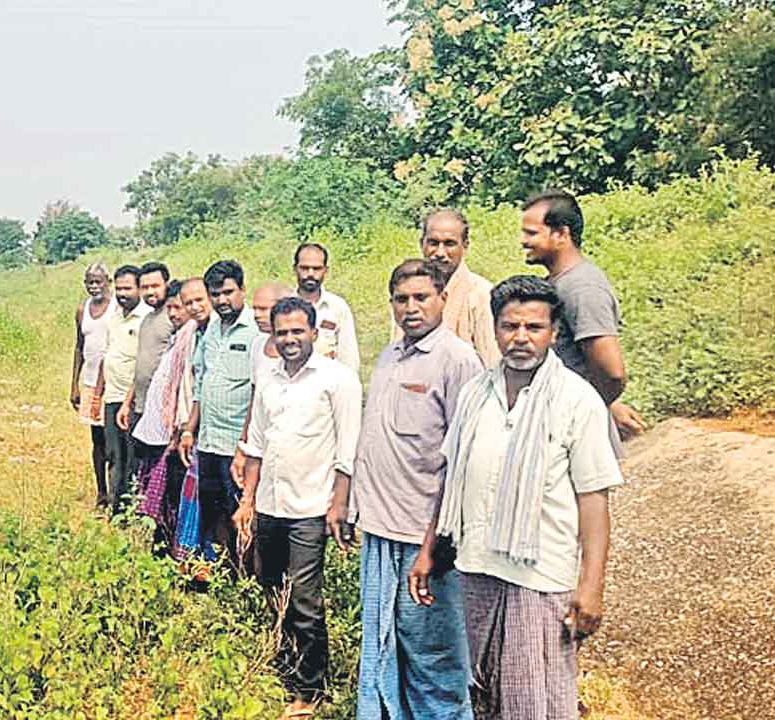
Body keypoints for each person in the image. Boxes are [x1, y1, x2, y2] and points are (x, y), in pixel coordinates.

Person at [410, 275, 623, 720]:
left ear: (554, 332)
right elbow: (453, 480)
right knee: (485, 694)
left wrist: (592, 585)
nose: (521, 338)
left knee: (537, 699)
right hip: (478, 567)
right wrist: (428, 550)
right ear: (494, 328)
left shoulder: (576, 401)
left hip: (541, 575)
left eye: (534, 327)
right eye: (510, 326)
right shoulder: (474, 395)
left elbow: (594, 500)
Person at [354, 260, 482, 720]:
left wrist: (433, 547)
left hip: (423, 540)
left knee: (434, 657)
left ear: (442, 300)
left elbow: (461, 465)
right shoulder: (391, 356)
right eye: (402, 299)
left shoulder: (458, 361)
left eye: (421, 298)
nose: (411, 308)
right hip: (381, 531)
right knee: (388, 648)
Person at [234, 297, 361, 717]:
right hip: (271, 503)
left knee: (305, 600)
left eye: (297, 331)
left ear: (314, 332)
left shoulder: (337, 379)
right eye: (281, 332)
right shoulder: (267, 377)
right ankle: (285, 664)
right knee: (271, 586)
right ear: (271, 334)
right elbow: (255, 443)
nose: (289, 339)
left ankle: (309, 689)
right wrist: (248, 501)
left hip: (310, 506)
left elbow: (348, 450)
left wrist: (338, 505)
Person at [520, 190, 646, 447]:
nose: (523, 241)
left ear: (562, 234)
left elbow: (612, 372)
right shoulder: (560, 283)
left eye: (531, 233)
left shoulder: (582, 288)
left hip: (574, 434)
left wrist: (591, 408)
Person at [179, 260, 258, 568]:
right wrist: (189, 430)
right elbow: (202, 382)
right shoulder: (211, 328)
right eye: (216, 294)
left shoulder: (255, 332)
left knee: (240, 513)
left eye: (228, 292)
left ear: (242, 290)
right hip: (208, 442)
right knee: (213, 515)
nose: (222, 300)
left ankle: (247, 579)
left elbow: (258, 393)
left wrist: (244, 443)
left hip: (237, 447)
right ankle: (223, 573)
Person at [131, 279, 196, 547]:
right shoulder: (176, 338)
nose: (173, 313)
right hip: (157, 428)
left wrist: (181, 430)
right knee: (159, 491)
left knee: (171, 493)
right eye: (170, 308)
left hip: (174, 431)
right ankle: (161, 544)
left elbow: (188, 389)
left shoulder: (190, 337)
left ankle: (170, 546)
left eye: (177, 307)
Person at [392, 208, 500, 367]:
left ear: (465, 245)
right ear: (422, 243)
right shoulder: (408, 293)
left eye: (449, 244)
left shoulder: (481, 295)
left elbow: (493, 364)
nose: (440, 252)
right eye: (433, 243)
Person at [97, 265, 150, 513]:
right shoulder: (114, 316)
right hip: (112, 397)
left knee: (132, 457)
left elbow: (142, 363)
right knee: (113, 454)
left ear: (139, 288)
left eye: (128, 288)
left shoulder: (146, 319)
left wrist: (129, 402)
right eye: (118, 288)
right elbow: (107, 354)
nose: (122, 293)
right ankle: (115, 507)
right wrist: (99, 393)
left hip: (133, 400)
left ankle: (132, 510)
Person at [230, 282, 293, 487]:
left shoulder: (300, 351)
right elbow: (255, 399)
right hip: (259, 440)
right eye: (255, 308)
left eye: (264, 309)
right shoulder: (258, 344)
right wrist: (243, 444)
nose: (257, 315)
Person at [117, 262, 175, 485]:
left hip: (161, 410)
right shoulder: (147, 319)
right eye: (145, 287)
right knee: (141, 468)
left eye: (155, 286)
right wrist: (127, 403)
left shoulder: (173, 316)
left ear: (166, 284)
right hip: (140, 406)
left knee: (162, 472)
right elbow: (141, 366)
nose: (150, 292)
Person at [70, 263, 116, 509]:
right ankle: (101, 493)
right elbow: (79, 347)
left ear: (108, 281)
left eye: (99, 282)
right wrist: (74, 385)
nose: (94, 287)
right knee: (97, 440)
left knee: (114, 442)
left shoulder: (117, 308)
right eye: (90, 282)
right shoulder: (82, 310)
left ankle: (118, 492)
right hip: (89, 382)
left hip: (113, 384)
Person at [294, 242, 361, 372]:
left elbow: (348, 356)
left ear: (325, 270)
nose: (310, 274)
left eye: (317, 268)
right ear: (295, 269)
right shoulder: (284, 308)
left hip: (329, 385)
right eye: (304, 268)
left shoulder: (338, 307)